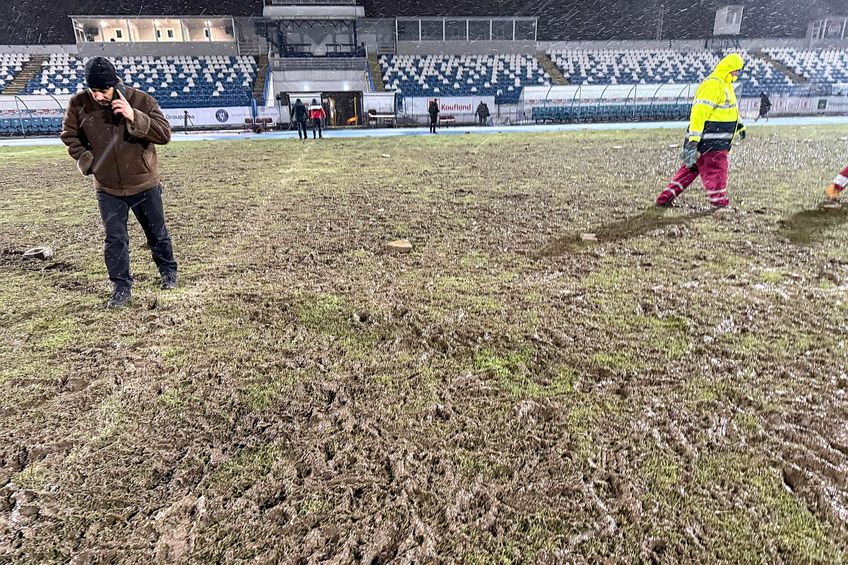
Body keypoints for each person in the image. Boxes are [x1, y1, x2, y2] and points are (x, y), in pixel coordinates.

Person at [60, 56, 176, 309]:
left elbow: (164, 134)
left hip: (144, 183)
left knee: (157, 232)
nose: (98, 96)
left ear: (114, 84)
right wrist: (86, 160)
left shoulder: (141, 100)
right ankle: (121, 286)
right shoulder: (78, 104)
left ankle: (168, 272)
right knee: (115, 239)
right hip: (108, 187)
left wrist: (134, 116)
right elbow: (69, 135)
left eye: (103, 90)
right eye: (93, 90)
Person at [655, 53, 747, 209]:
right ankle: (719, 202)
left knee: (689, 170)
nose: (737, 73)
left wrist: (739, 125)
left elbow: (729, 111)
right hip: (712, 141)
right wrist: (694, 140)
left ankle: (665, 198)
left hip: (710, 140)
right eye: (736, 70)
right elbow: (699, 113)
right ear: (729, 69)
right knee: (718, 170)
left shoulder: (725, 84)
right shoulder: (714, 84)